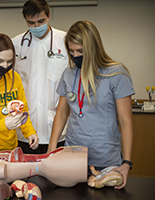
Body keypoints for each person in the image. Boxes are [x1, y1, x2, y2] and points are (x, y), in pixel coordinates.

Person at [47, 20, 135, 189]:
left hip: (106, 158)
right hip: (73, 156)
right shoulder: (69, 74)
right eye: (71, 51)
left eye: (80, 51)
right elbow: (61, 113)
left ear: (93, 48)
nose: (75, 56)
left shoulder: (116, 74)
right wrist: (51, 150)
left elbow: (126, 121)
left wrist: (126, 162)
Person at [12, 0, 69, 154]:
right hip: (24, 127)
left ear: (49, 16)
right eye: (31, 23)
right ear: (25, 20)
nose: (36, 27)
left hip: (56, 125)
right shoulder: (16, 44)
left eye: (41, 21)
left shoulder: (65, 41)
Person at [0, 141, 88, 187]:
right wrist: (41, 164)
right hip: (49, 165)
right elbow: (12, 171)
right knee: (80, 163)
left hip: (48, 161)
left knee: (78, 156)